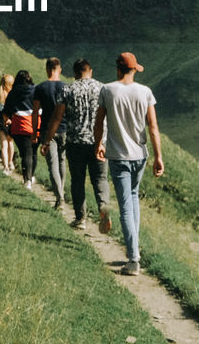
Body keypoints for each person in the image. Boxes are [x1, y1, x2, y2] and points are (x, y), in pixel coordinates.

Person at [94, 52, 163, 276]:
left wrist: (99, 144)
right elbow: (153, 127)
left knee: (125, 205)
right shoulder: (145, 92)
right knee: (133, 197)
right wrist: (158, 156)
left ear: (117, 69)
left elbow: (99, 121)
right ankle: (134, 250)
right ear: (133, 70)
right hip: (140, 155)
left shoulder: (107, 90)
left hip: (118, 155)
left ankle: (133, 259)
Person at [45, 59, 109, 229]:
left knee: (78, 180)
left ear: (75, 73)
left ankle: (81, 219)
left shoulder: (68, 89)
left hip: (75, 142)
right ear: (91, 71)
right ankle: (103, 205)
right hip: (99, 142)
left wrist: (47, 140)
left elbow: (57, 118)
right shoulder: (103, 88)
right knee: (100, 179)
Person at [33, 58, 67, 209]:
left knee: (52, 164)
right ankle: (62, 192)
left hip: (47, 131)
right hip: (65, 129)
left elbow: (35, 113)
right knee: (62, 162)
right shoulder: (66, 87)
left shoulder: (40, 88)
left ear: (47, 69)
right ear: (59, 69)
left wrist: (35, 132)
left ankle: (59, 198)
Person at [3, 70, 38, 187]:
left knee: (26, 153)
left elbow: (6, 111)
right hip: (37, 125)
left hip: (21, 126)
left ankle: (27, 180)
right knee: (33, 152)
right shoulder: (37, 90)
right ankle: (31, 176)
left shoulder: (13, 93)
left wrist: (8, 119)